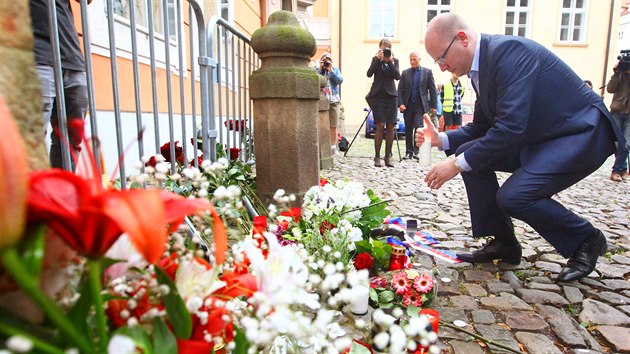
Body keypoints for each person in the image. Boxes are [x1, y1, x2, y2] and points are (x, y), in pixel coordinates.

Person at [417, 13, 624, 282]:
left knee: (514, 196)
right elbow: (482, 128)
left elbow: (510, 128)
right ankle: (504, 242)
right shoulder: (481, 68)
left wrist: (455, 164)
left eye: (442, 58)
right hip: (543, 136)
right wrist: (440, 140)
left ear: (462, 39)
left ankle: (587, 239)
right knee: (469, 151)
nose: (442, 67)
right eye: (437, 62)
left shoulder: (511, 53)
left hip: (580, 133)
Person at [30, 0, 90, 171]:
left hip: (71, 56)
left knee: (71, 136)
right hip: (36, 56)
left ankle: (62, 189)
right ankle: (31, 193)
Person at [366, 39, 401, 168]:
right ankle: (377, 156)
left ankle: (388, 156)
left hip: (391, 96)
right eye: (382, 49)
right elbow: (369, 74)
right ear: (379, 49)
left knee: (391, 125)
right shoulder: (375, 60)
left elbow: (397, 76)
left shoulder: (394, 61)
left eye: (387, 49)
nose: (384, 51)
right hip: (378, 95)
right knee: (380, 125)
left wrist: (390, 62)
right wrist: (377, 60)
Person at [397, 51, 437, 160]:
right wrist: (400, 103)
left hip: (420, 105)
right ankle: (408, 152)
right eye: (411, 59)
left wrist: (433, 106)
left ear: (419, 59)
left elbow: (432, 90)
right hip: (408, 104)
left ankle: (417, 151)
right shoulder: (405, 73)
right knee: (408, 128)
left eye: (415, 59)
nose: (412, 62)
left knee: (419, 127)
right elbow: (400, 90)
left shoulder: (427, 72)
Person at [605, 62, 630, 182]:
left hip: (629, 115)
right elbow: (610, 89)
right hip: (616, 113)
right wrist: (615, 73)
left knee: (625, 144)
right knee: (617, 144)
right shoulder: (619, 75)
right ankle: (623, 168)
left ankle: (616, 170)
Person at [317, 53, 344, 155]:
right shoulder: (318, 70)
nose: (326, 63)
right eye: (324, 61)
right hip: (322, 100)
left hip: (333, 100)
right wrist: (320, 69)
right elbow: (315, 80)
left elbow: (340, 80)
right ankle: (321, 146)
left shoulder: (334, 69)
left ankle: (333, 147)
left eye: (328, 61)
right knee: (321, 125)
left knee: (333, 125)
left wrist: (331, 70)